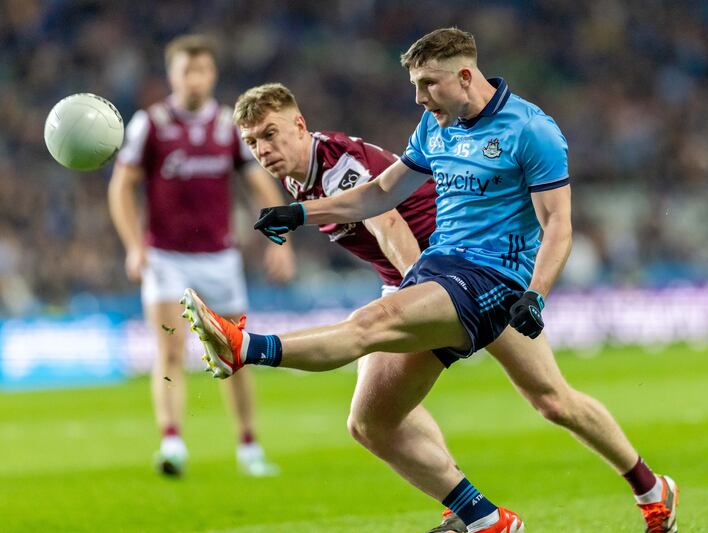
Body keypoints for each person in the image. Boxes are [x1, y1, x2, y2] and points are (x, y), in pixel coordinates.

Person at [183, 29, 677, 533]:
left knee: (377, 322)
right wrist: (299, 213)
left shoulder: (532, 130)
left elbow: (558, 226)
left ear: (465, 76)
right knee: (373, 422)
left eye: (427, 84)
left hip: (495, 279)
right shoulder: (433, 126)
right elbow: (381, 194)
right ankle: (506, 515)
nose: (418, 98)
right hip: (441, 270)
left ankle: (245, 347)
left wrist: (536, 294)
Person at [109, 34, 294, 477]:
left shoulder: (228, 127)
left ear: (212, 74)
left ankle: (249, 447)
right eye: (186, 71)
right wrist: (134, 247)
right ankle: (172, 442)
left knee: (234, 353)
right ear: (172, 76)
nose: (195, 79)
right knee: (169, 350)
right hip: (165, 256)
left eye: (203, 70)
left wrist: (280, 238)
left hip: (219, 257)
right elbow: (121, 186)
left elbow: (258, 181)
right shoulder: (149, 124)